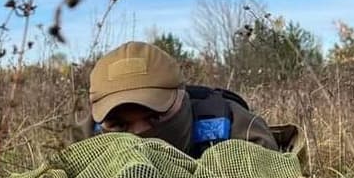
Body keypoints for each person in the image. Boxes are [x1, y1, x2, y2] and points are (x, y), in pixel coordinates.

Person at [88, 41, 280, 157]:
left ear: (182, 94)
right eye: (119, 125)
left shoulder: (235, 127)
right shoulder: (83, 137)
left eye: (155, 116)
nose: (139, 132)